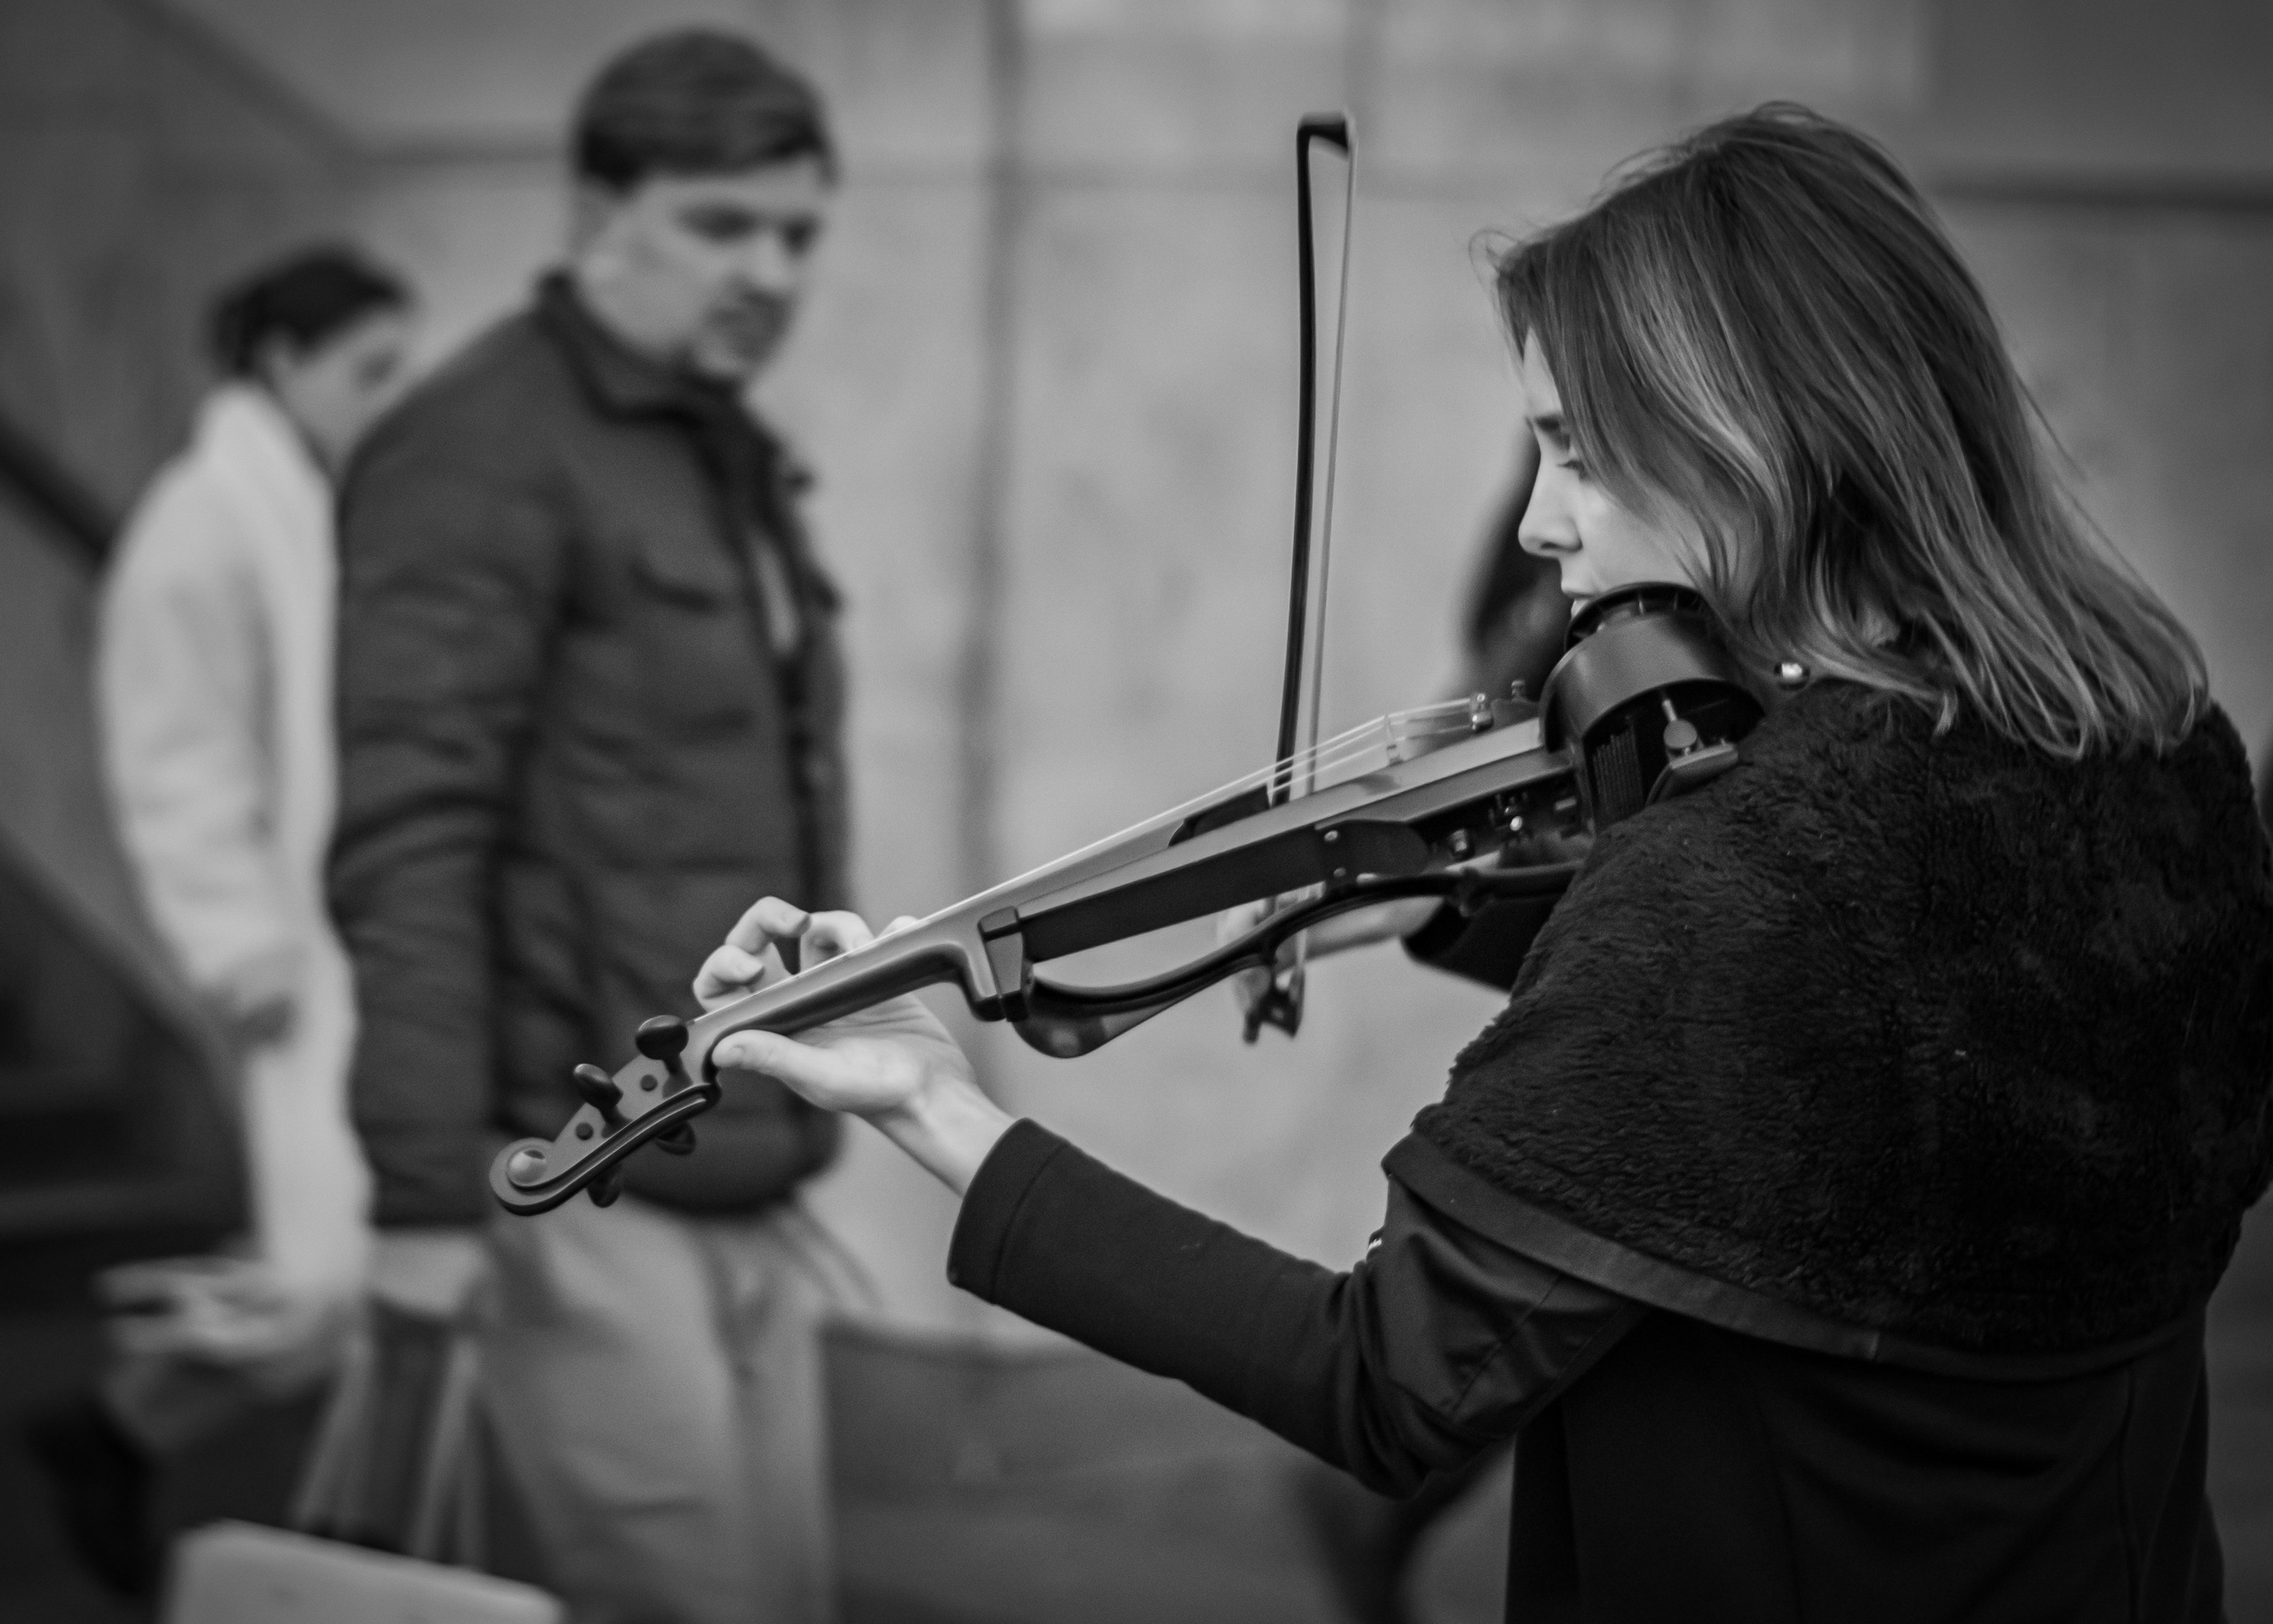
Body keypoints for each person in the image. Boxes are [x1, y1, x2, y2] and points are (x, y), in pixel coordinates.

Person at [693, 107, 2272, 1622]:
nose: (1535, 522)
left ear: (1752, 443)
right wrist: (1428, 901)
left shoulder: (1742, 882)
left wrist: (936, 1105)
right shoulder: (2157, 754)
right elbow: (1869, 1064)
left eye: (1574, 453)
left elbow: (1387, 1375)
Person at [330, 30, 855, 1624]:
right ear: (596, 208)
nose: (769, 270)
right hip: (580, 1173)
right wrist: (425, 1195)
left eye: (799, 234)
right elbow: (409, 837)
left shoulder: (722, 446)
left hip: (754, 1151)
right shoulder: (477, 444)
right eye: (721, 225)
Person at [47, 244, 414, 1594]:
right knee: (334, 1277)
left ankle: (141, 1435)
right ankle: (125, 1422)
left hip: (356, 947)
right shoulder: (203, 524)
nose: (392, 398)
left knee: (361, 1268)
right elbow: (175, 749)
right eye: (371, 369)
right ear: (282, 362)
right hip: (295, 963)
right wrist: (236, 941)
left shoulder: (306, 511)